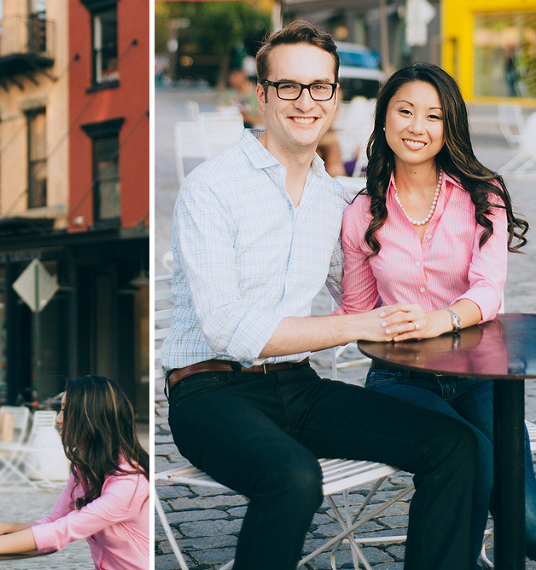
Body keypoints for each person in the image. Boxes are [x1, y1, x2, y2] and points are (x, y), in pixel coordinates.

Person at [160, 20, 479, 570]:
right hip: (209, 393)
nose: (306, 101)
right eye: (289, 87)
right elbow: (230, 329)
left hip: (299, 387)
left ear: (336, 94)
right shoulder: (212, 187)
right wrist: (360, 326)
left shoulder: (338, 200)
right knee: (293, 477)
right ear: (262, 94)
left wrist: (454, 293)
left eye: (320, 87)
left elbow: (377, 284)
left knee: (456, 445)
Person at [336, 62, 531, 566]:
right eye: (405, 111)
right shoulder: (362, 212)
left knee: (527, 522)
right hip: (401, 378)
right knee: (468, 453)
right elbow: (356, 310)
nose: (417, 127)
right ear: (384, 121)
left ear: (449, 128)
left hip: (481, 376)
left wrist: (438, 320)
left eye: (433, 116)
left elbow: (489, 291)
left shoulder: (482, 196)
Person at [0, 375, 149, 569]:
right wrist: (2, 528)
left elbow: (62, 531)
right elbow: (53, 523)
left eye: (65, 411)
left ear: (90, 418)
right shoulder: (85, 468)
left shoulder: (128, 481)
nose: (58, 419)